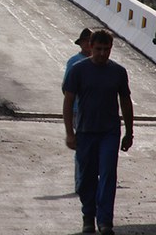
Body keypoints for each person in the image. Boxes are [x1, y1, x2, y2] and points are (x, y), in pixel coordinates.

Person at [62, 29, 134, 235]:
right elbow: (68, 101)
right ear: (90, 47)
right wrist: (70, 132)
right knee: (87, 177)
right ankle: (88, 215)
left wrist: (129, 132)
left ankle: (105, 221)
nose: (103, 54)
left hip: (109, 132)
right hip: (85, 132)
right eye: (99, 49)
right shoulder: (78, 70)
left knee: (109, 173)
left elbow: (126, 102)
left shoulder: (118, 72)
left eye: (107, 49)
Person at [63, 27, 93, 194]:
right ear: (81, 43)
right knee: (82, 146)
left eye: (91, 41)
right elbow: (66, 88)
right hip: (77, 111)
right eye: (86, 41)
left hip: (93, 111)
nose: (88, 44)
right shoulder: (74, 61)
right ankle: (80, 183)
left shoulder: (98, 62)